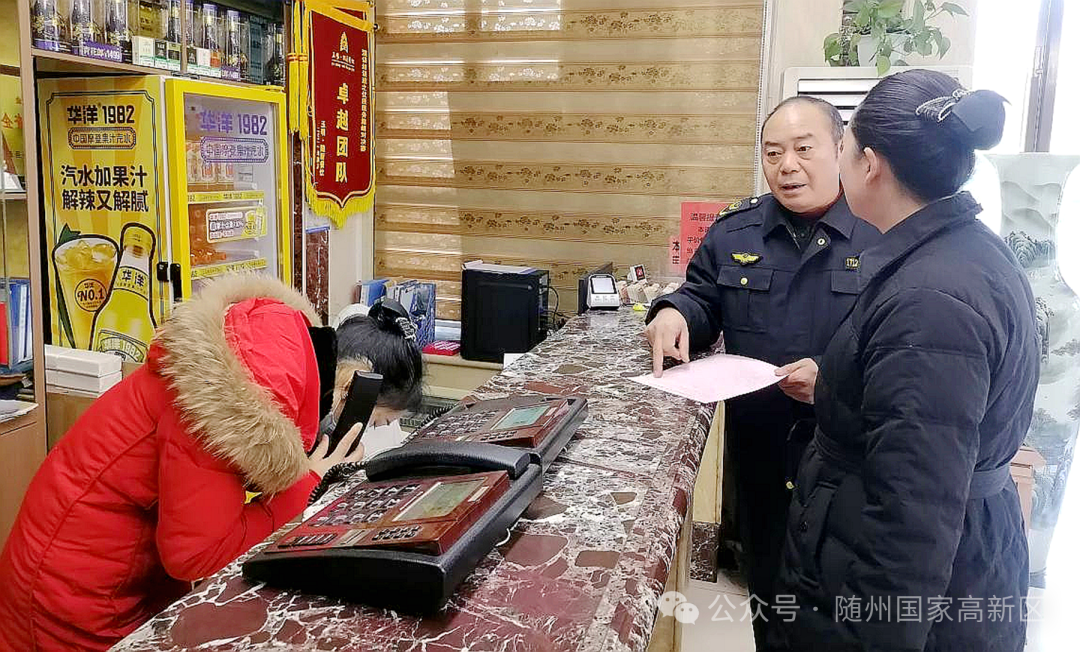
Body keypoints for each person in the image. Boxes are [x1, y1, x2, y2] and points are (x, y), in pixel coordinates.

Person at [0, 274, 424, 651]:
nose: (366, 430)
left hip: (118, 563)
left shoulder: (279, 359)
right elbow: (197, 555)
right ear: (351, 388)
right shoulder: (237, 396)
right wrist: (308, 483)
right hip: (73, 585)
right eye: (375, 420)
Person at [774, 70, 1038, 652]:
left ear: (868, 164)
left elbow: (913, 516)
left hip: (904, 594)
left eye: (842, 148)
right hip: (940, 561)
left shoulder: (929, 301)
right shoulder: (961, 249)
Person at [645, 96, 880, 650]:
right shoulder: (737, 231)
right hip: (762, 451)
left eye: (803, 149)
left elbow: (902, 349)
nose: (787, 166)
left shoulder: (881, 231)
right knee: (770, 595)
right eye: (773, 153)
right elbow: (702, 297)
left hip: (850, 457)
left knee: (844, 608)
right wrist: (674, 313)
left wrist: (834, 381)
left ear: (841, 149)